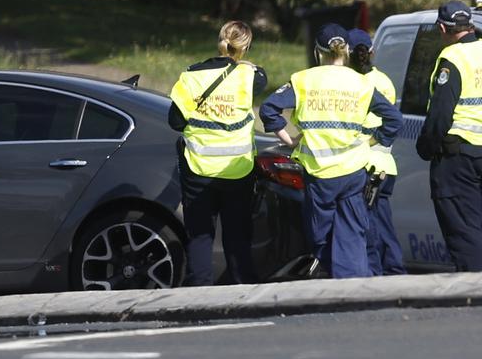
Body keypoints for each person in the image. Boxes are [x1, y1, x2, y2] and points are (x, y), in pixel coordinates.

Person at [260, 24, 402, 278]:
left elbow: (268, 108)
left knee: (319, 233)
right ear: (346, 50)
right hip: (352, 171)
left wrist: (289, 140)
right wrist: (371, 141)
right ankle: (355, 284)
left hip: (320, 173)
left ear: (318, 52)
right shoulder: (361, 83)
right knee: (353, 232)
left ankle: (336, 277)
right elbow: (394, 119)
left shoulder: (303, 80)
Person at [168, 20, 266, 285]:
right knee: (238, 236)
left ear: (220, 40)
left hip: (198, 169)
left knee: (200, 236)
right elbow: (261, 77)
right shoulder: (251, 76)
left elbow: (175, 121)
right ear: (246, 47)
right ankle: (243, 290)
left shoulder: (191, 76)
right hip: (237, 169)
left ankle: (200, 294)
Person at [416, 0, 482, 271]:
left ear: (443, 28)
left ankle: (474, 292)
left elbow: (441, 114)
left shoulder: (452, 59)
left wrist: (425, 148)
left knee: (465, 230)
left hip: (459, 159)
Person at [348, 28, 406, 276]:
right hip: (384, 165)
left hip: (362, 164)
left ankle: (379, 274)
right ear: (372, 52)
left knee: (369, 225)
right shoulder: (383, 80)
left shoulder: (349, 82)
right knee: (382, 221)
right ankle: (394, 270)